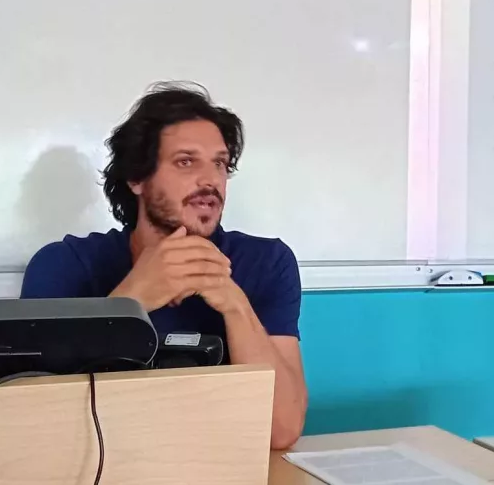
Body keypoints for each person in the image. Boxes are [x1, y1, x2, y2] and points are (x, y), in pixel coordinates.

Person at [21, 83, 307, 448]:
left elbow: (282, 430)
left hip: (226, 469)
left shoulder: (267, 262)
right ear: (136, 178)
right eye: (186, 161)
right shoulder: (63, 265)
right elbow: (35, 422)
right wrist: (128, 303)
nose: (210, 180)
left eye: (219, 163)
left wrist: (235, 305)